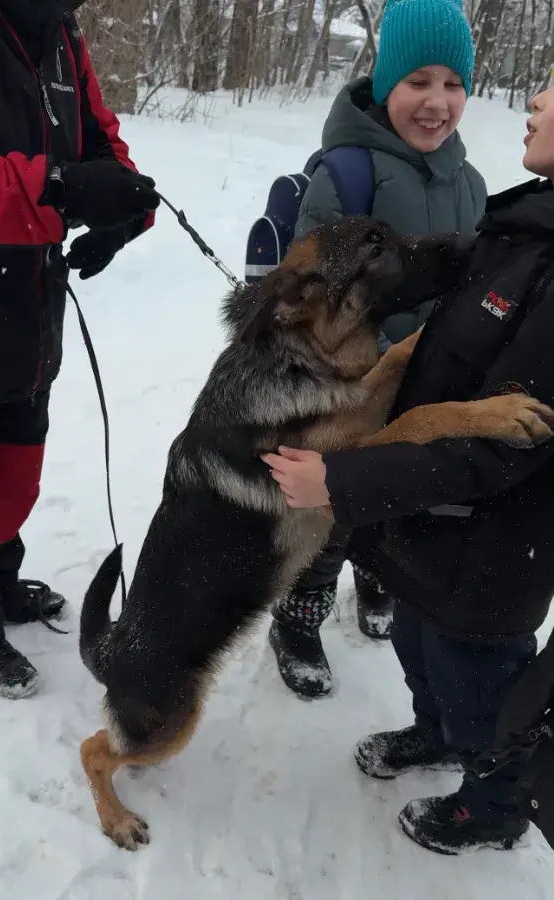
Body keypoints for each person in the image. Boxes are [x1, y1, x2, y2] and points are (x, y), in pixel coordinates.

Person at [262, 84, 554, 854]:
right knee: (420, 653)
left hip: (488, 561)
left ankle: (492, 805)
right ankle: (436, 734)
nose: (533, 96)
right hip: (429, 535)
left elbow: (501, 446)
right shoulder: (527, 219)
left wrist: (339, 484)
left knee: (482, 692)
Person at [269, 0, 486, 699]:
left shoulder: (471, 183)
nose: (436, 102)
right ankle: (299, 615)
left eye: (452, 84)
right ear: (386, 83)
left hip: (432, 382)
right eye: (417, 81)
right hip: (352, 388)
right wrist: (387, 355)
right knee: (332, 510)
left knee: (398, 499)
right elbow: (314, 303)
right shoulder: (346, 174)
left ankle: (379, 578)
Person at [0, 0, 160, 700]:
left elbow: (98, 138)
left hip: (30, 304)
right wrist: (55, 188)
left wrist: (126, 207)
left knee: (18, 464)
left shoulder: (60, 30)